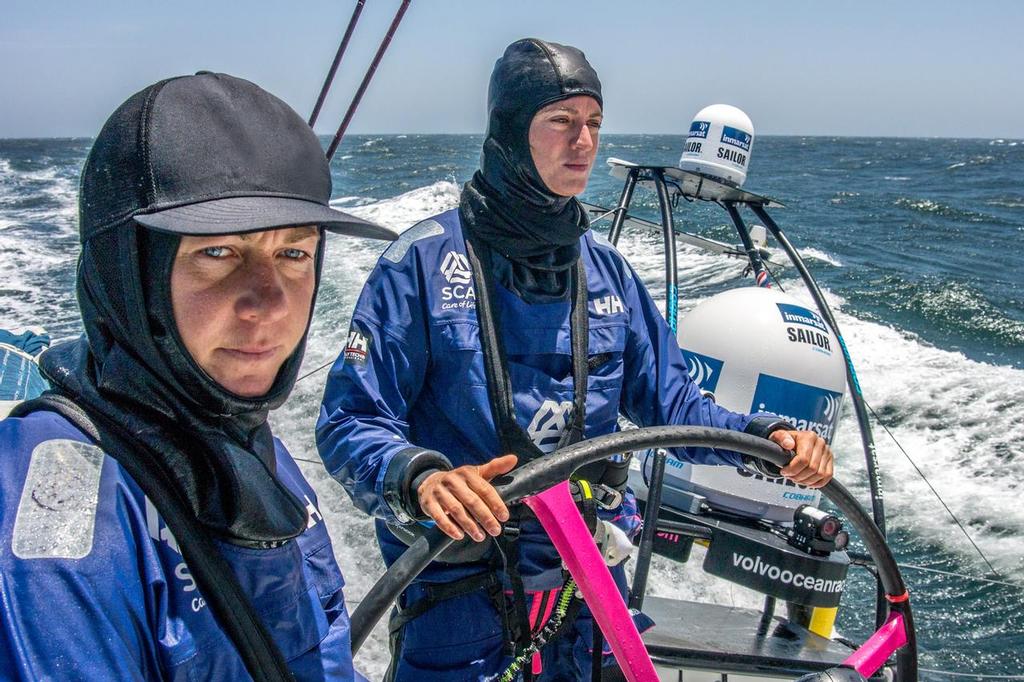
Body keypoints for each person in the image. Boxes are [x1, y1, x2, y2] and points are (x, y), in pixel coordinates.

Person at [317, 38, 834, 681]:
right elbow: (350, 422)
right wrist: (422, 478)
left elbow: (675, 407)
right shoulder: (419, 265)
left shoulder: (610, 274)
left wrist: (765, 436)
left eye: (592, 123)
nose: (582, 141)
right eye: (560, 122)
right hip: (457, 595)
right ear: (511, 132)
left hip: (588, 586)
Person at [0, 72, 396, 680]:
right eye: (217, 252)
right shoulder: (59, 523)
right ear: (129, 277)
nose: (268, 303)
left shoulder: (235, 429)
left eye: (294, 254)